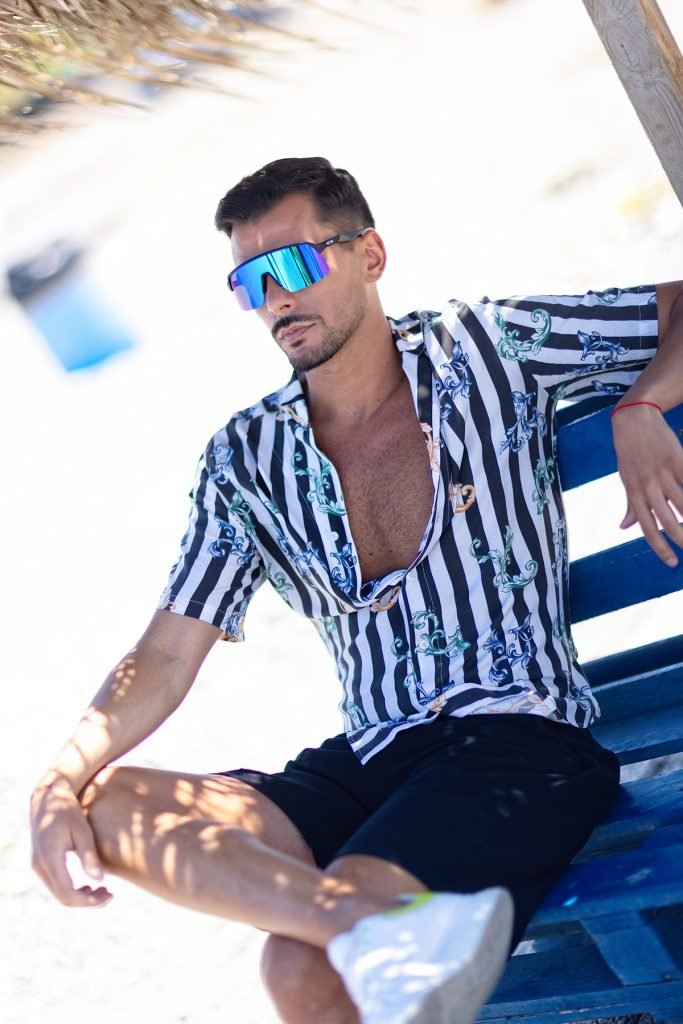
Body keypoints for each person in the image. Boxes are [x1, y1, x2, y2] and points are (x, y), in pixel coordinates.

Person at [30, 157, 683, 1024]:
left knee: (299, 972)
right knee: (111, 803)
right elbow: (166, 652)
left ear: (369, 255)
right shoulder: (245, 460)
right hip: (368, 755)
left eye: (293, 264)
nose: (274, 298)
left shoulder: (487, 348)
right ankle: (366, 925)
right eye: (249, 280)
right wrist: (56, 781)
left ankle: (362, 925)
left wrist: (641, 406)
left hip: (515, 738)